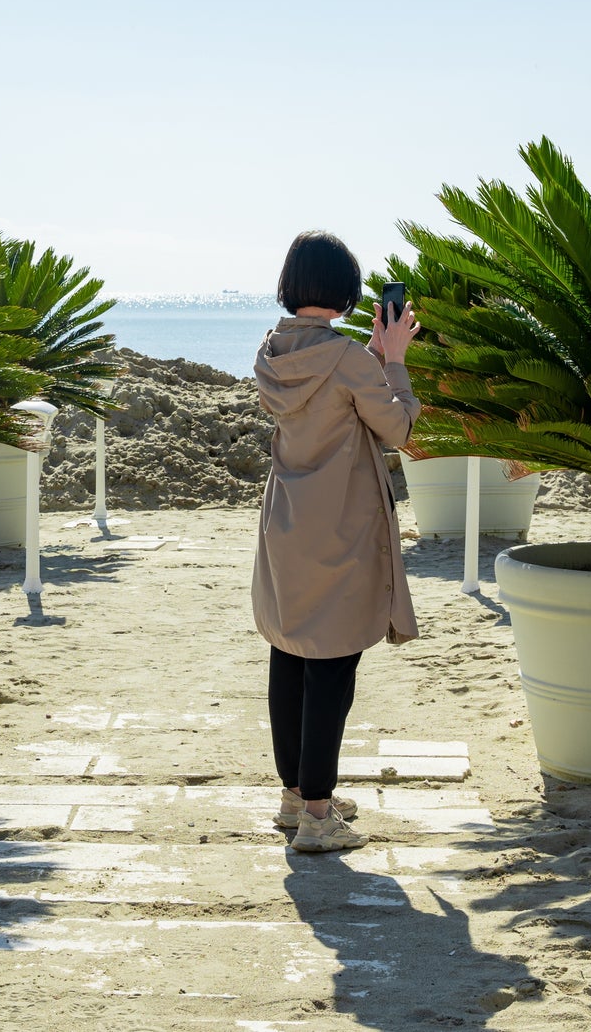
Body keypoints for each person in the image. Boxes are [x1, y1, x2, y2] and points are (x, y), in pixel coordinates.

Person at [252, 231, 421, 853]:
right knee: (332, 662)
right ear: (348, 292)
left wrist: (369, 357)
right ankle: (318, 819)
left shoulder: (271, 351)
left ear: (290, 286)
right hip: (341, 526)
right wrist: (393, 360)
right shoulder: (349, 358)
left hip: (287, 519)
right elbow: (397, 428)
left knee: (290, 649)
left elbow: (327, 395)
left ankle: (296, 794)